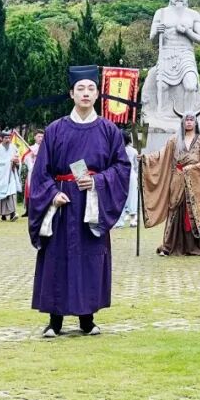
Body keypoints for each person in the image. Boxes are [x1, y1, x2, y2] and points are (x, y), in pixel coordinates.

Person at [26, 65, 131, 338]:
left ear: (97, 94)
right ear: (71, 94)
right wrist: (52, 193)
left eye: (91, 88)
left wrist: (98, 181)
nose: (86, 93)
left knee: (90, 259)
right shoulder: (55, 129)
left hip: (92, 204)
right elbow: (41, 172)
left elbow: (122, 167)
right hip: (62, 204)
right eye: (80, 89)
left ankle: (87, 319)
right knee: (56, 258)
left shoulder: (109, 130)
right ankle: (55, 321)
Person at [140, 111, 200, 256]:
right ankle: (168, 246)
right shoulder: (174, 140)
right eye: (186, 120)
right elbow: (161, 155)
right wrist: (145, 158)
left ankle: (197, 246)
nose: (189, 122)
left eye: (191, 119)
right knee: (175, 210)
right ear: (182, 122)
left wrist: (192, 168)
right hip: (177, 179)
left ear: (195, 122)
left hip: (194, 180)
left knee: (193, 211)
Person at [0, 130, 21, 221]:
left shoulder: (13, 147)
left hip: (11, 174)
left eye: (9, 138)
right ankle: (3, 214)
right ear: (2, 138)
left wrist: (16, 162)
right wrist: (9, 161)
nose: (8, 140)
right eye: (6, 138)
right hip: (1, 174)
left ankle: (12, 213)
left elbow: (18, 159)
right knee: (2, 193)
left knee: (11, 192)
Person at [114, 130, 139, 228]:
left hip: (125, 175)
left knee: (123, 198)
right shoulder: (132, 151)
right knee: (129, 197)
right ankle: (130, 220)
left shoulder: (118, 150)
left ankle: (124, 221)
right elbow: (136, 166)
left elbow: (136, 165)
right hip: (127, 175)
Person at [20, 129, 44, 218]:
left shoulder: (46, 148)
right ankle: (28, 210)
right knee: (29, 191)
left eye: (42, 137)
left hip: (43, 172)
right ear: (35, 137)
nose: (40, 138)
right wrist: (32, 157)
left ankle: (40, 209)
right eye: (39, 136)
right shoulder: (31, 148)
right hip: (32, 172)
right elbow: (25, 159)